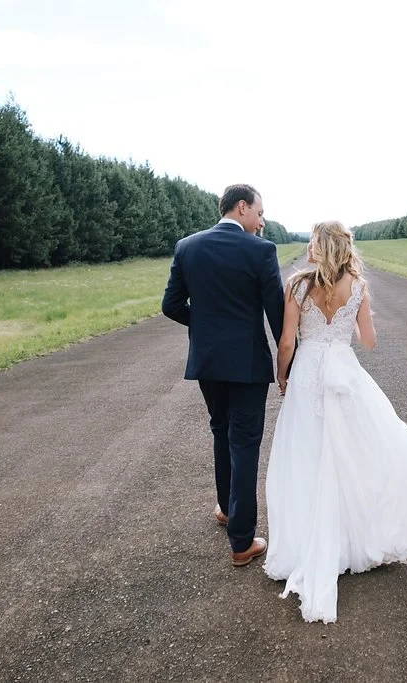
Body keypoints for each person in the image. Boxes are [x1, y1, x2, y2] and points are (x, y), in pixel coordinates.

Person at [263, 220, 407, 623]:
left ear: (320, 246)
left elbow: (287, 342)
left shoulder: (298, 285)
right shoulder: (357, 286)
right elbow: (369, 341)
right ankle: (355, 538)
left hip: (307, 374)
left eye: (313, 242)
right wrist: (348, 319)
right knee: (359, 454)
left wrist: (281, 375)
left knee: (306, 455)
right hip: (342, 369)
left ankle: (314, 544)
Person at [162, 183, 284, 567]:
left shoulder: (187, 246)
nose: (261, 221)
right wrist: (289, 364)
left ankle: (229, 511)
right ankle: (242, 542)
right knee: (244, 443)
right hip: (247, 364)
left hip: (208, 362)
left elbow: (170, 305)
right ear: (242, 207)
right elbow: (277, 314)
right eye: (259, 213)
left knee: (221, 430)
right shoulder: (261, 251)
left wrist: (206, 328)